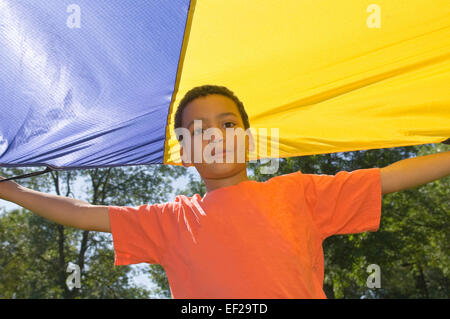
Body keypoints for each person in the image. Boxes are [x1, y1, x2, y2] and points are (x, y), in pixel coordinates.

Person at [0, 84, 449, 298]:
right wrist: (14, 190)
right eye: (199, 130)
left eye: (228, 124)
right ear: (186, 152)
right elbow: (82, 211)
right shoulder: (169, 220)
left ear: (248, 139)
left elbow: (388, 176)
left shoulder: (299, 194)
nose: (214, 135)